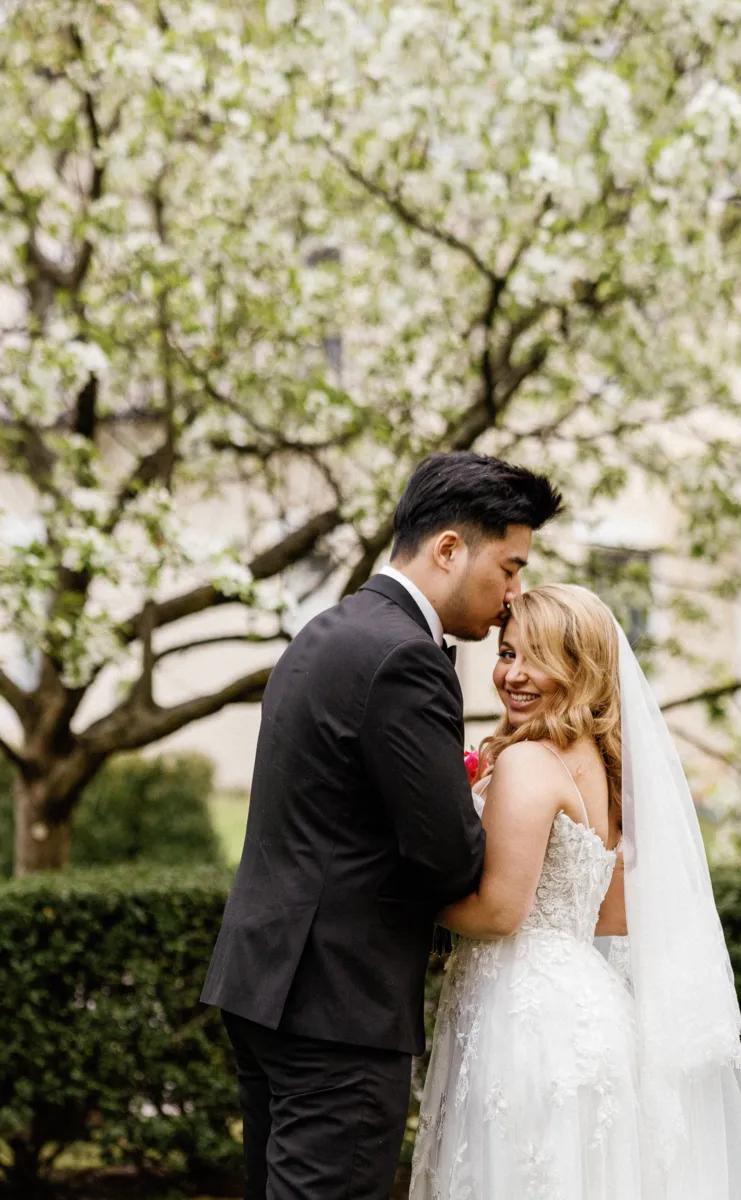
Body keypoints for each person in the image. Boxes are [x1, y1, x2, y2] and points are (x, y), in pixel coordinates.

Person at [200, 451, 563, 1200]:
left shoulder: (326, 632)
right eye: (509, 567)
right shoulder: (404, 655)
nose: (511, 595)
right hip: (339, 1003)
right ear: (449, 549)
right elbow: (447, 860)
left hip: (265, 981)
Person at [411, 584, 741, 1200]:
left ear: (581, 670)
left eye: (540, 658)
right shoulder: (602, 764)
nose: (514, 675)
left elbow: (501, 913)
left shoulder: (531, 762)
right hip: (589, 1011)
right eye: (507, 653)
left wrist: (398, 897)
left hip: (524, 1023)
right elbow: (608, 916)